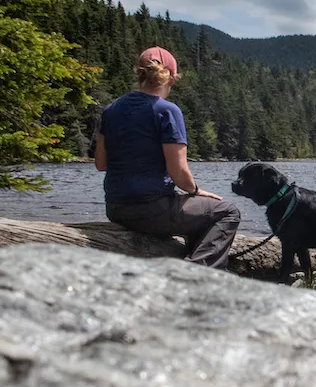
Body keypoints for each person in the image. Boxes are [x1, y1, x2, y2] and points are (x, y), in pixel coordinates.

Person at [94, 46, 240, 269]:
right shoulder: (167, 111)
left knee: (199, 215)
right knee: (227, 212)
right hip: (151, 210)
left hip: (115, 208)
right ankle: (194, 276)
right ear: (171, 79)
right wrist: (195, 191)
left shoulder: (111, 110)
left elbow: (101, 164)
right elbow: (179, 174)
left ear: (139, 73)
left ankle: (188, 262)